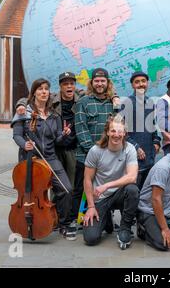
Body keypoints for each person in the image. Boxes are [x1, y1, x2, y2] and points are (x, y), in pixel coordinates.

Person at [11, 78, 76, 240]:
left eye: (46, 89)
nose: (44, 92)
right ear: (34, 93)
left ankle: (63, 223)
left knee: (67, 189)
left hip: (50, 157)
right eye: (40, 89)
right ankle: (28, 220)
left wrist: (64, 135)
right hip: (30, 159)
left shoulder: (54, 115)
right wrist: (25, 144)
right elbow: (17, 135)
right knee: (30, 193)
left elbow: (57, 141)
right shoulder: (24, 112)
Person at [82, 115, 139, 250]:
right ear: (107, 132)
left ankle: (125, 228)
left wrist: (107, 185)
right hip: (100, 197)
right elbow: (87, 179)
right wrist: (90, 207)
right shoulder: (95, 151)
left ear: (124, 133)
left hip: (119, 193)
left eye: (120, 132)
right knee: (91, 238)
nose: (116, 135)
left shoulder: (129, 149)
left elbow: (132, 177)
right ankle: (106, 218)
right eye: (113, 131)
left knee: (132, 189)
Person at [74, 68, 117, 229]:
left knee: (105, 190)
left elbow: (118, 127)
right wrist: (95, 153)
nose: (100, 84)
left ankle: (106, 219)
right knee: (80, 189)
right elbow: (81, 128)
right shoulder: (83, 102)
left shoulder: (113, 103)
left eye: (103, 81)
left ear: (107, 83)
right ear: (92, 83)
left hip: (108, 156)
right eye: (96, 81)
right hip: (84, 156)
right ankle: (75, 221)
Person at [121, 71, 161, 190]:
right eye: (137, 82)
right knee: (133, 194)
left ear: (147, 83)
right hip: (134, 161)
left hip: (149, 159)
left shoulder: (150, 102)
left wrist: (156, 142)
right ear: (132, 85)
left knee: (146, 195)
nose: (141, 84)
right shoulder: (126, 104)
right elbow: (121, 132)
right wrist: (136, 147)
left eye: (143, 81)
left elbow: (153, 127)